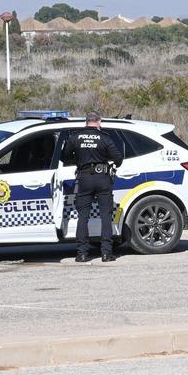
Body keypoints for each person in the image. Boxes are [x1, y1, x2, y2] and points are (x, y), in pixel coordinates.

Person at [60, 111, 124, 262]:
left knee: (83, 216)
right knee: (106, 216)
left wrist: (78, 158)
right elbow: (118, 159)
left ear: (86, 122)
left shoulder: (75, 137)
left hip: (84, 178)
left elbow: (64, 157)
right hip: (103, 178)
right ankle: (106, 253)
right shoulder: (105, 138)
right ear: (99, 122)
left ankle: (82, 254)